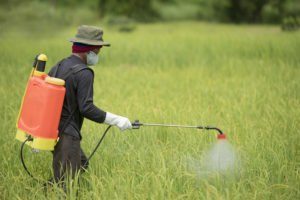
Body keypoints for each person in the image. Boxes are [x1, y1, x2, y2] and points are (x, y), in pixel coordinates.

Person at [48, 25, 132, 184]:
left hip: (53, 129)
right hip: (67, 133)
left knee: (82, 164)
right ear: (89, 51)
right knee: (67, 185)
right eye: (98, 51)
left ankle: (44, 192)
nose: (98, 55)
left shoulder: (60, 65)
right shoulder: (84, 72)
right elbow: (86, 108)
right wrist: (117, 120)